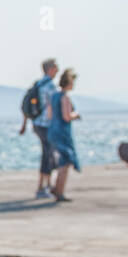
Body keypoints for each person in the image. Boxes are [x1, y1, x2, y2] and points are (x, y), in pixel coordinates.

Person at [18, 58, 59, 198]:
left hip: (37, 124)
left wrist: (24, 124)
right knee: (48, 155)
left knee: (48, 154)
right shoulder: (50, 86)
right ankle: (43, 187)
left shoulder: (38, 84)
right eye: (55, 67)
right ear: (50, 69)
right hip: (46, 125)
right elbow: (53, 108)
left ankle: (46, 185)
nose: (58, 70)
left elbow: (26, 106)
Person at [48, 68, 81, 202]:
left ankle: (57, 188)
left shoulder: (54, 96)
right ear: (69, 83)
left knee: (61, 160)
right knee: (65, 162)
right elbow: (66, 117)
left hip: (52, 130)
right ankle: (59, 191)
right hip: (62, 132)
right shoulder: (64, 97)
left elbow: (49, 115)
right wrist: (76, 115)